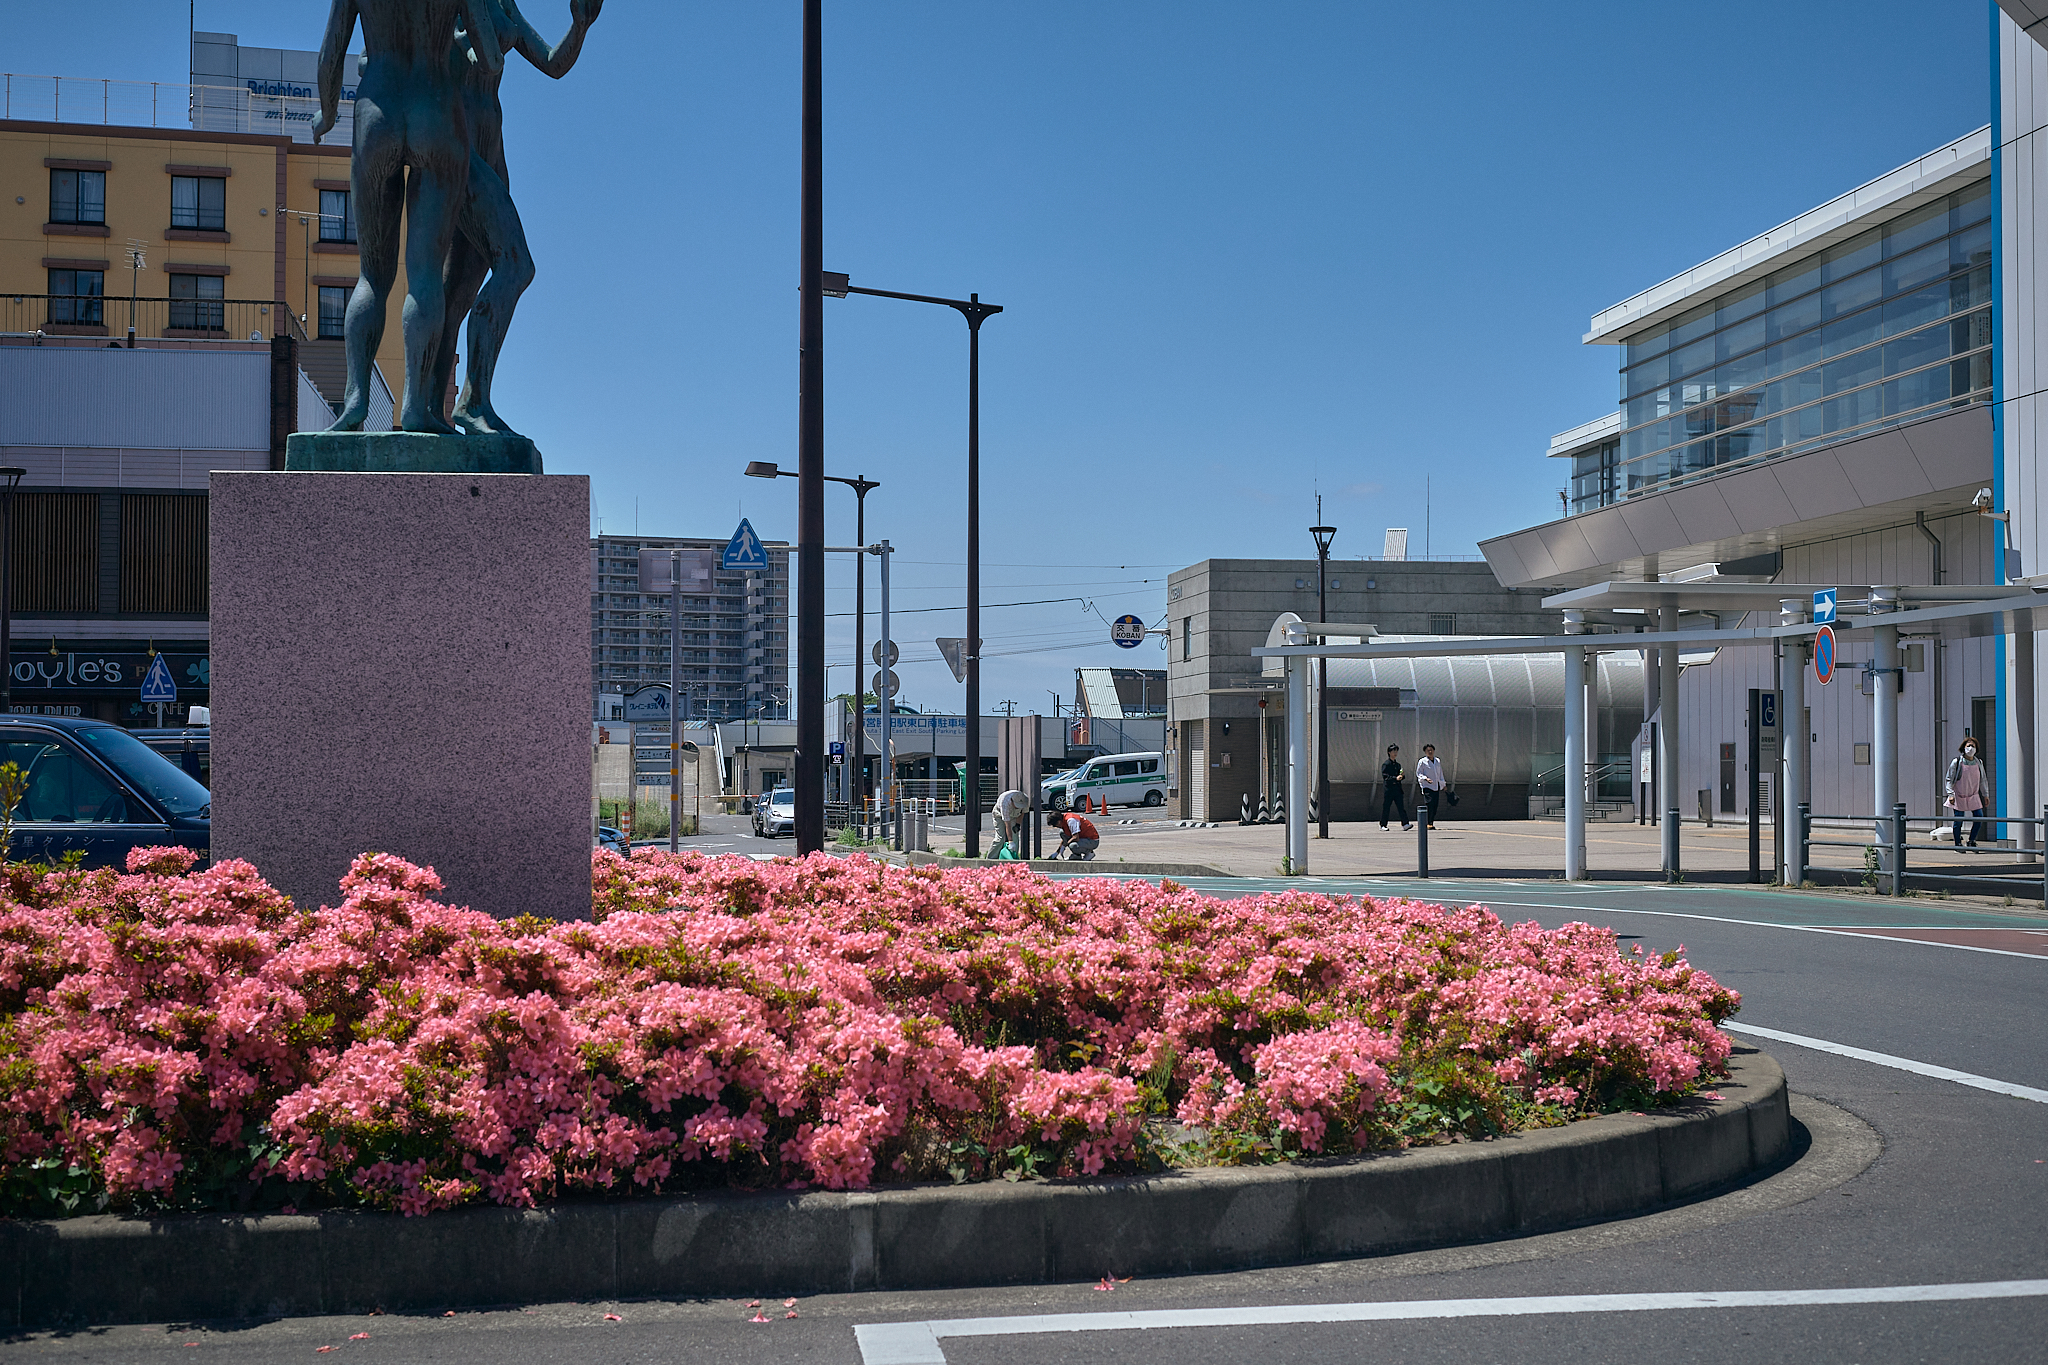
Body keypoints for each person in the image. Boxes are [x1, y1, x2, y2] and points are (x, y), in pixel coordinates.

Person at [1945, 737, 1989, 849]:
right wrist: (1950, 794)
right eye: (1968, 745)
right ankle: (1957, 843)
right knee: (1958, 820)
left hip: (1973, 795)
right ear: (1963, 748)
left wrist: (1985, 794)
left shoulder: (1979, 763)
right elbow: (1949, 778)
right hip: (1959, 795)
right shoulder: (1957, 762)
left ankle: (1972, 840)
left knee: (1979, 817)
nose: (1970, 748)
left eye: (1973, 746)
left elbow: (1983, 779)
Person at [1379, 744, 1410, 831]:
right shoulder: (1386, 764)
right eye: (1393, 751)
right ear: (1389, 752)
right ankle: (1383, 824)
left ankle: (1405, 823)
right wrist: (1395, 778)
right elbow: (1385, 777)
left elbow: (1401, 776)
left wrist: (1402, 776)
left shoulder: (1398, 765)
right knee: (1386, 807)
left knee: (1401, 807)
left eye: (1396, 751)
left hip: (1397, 789)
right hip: (1389, 789)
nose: (1395, 753)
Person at [1415, 743, 1446, 829]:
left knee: (1435, 805)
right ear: (1425, 752)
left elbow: (1440, 774)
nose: (1430, 752)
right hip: (1427, 786)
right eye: (1428, 750)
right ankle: (1427, 822)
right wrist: (1425, 778)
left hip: (1436, 786)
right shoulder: (1422, 761)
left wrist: (1443, 784)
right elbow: (1419, 773)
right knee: (1429, 804)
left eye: (1431, 750)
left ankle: (1431, 822)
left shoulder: (1437, 761)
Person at [993, 788, 1031, 856]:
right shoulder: (1004, 802)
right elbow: (1007, 824)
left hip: (1014, 816)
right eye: (1017, 806)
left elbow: (1023, 812)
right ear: (1012, 801)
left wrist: (1017, 824)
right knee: (1000, 838)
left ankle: (1014, 859)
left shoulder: (1025, 800)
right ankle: (991, 859)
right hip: (999, 814)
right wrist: (1010, 841)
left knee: (1015, 837)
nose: (1018, 807)